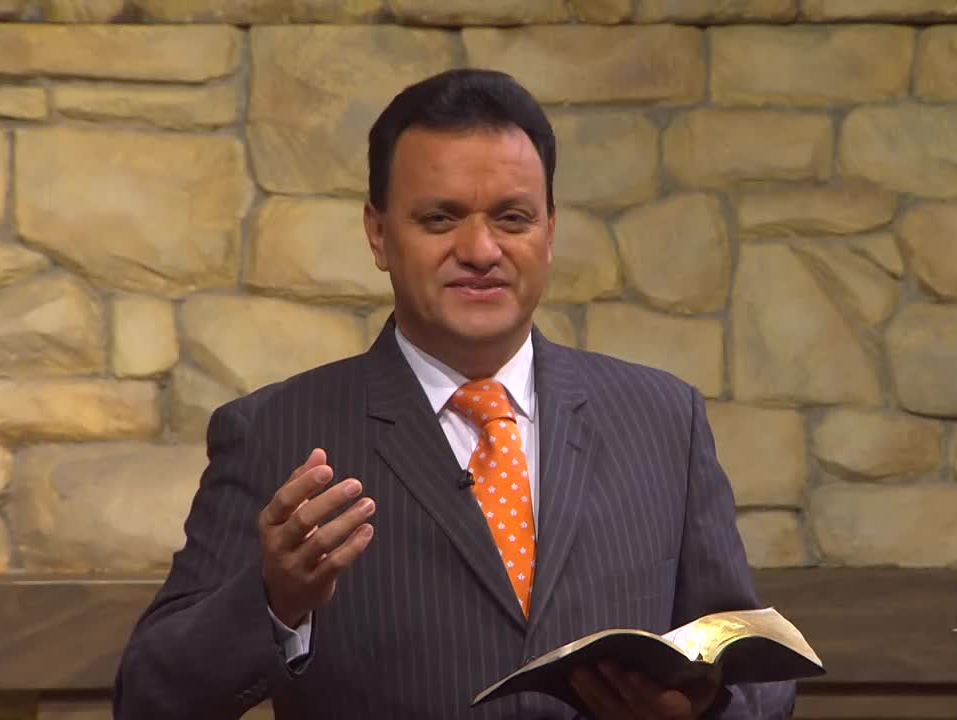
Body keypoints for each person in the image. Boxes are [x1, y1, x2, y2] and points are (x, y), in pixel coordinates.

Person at [113, 68, 797, 719]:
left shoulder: (661, 419)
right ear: (379, 234)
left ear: (550, 232)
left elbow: (754, 673)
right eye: (440, 219)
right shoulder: (275, 432)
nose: (479, 249)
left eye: (512, 218)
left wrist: (702, 708)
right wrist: (273, 602)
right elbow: (150, 698)